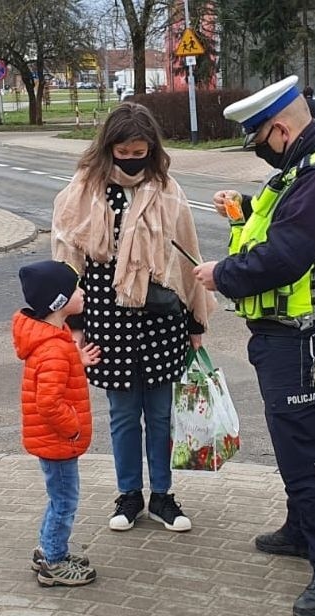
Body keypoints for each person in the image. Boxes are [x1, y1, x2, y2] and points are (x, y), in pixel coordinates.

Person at [194, 75, 315, 616]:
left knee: (311, 451)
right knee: (296, 445)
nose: (262, 153)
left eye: (260, 141)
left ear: (279, 128)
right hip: (290, 338)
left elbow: (286, 256)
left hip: (305, 340)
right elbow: (284, 227)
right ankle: (302, 529)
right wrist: (243, 210)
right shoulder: (303, 170)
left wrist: (221, 273)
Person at [51, 102, 215, 534]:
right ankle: (129, 495)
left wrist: (196, 323)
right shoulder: (83, 191)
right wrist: (73, 327)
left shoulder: (167, 189)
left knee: (161, 415)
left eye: (139, 151)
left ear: (152, 149)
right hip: (105, 319)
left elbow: (187, 257)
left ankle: (163, 496)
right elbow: (67, 259)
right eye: (123, 152)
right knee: (123, 416)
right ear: (109, 149)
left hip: (162, 319)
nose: (131, 160)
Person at [12, 260, 101, 587]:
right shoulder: (52, 348)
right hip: (58, 441)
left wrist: (76, 359)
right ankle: (54, 561)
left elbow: (53, 376)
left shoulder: (54, 339)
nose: (83, 292)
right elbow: (48, 401)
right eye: (76, 288)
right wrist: (72, 427)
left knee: (58, 498)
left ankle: (50, 549)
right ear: (59, 303)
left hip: (54, 440)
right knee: (65, 502)